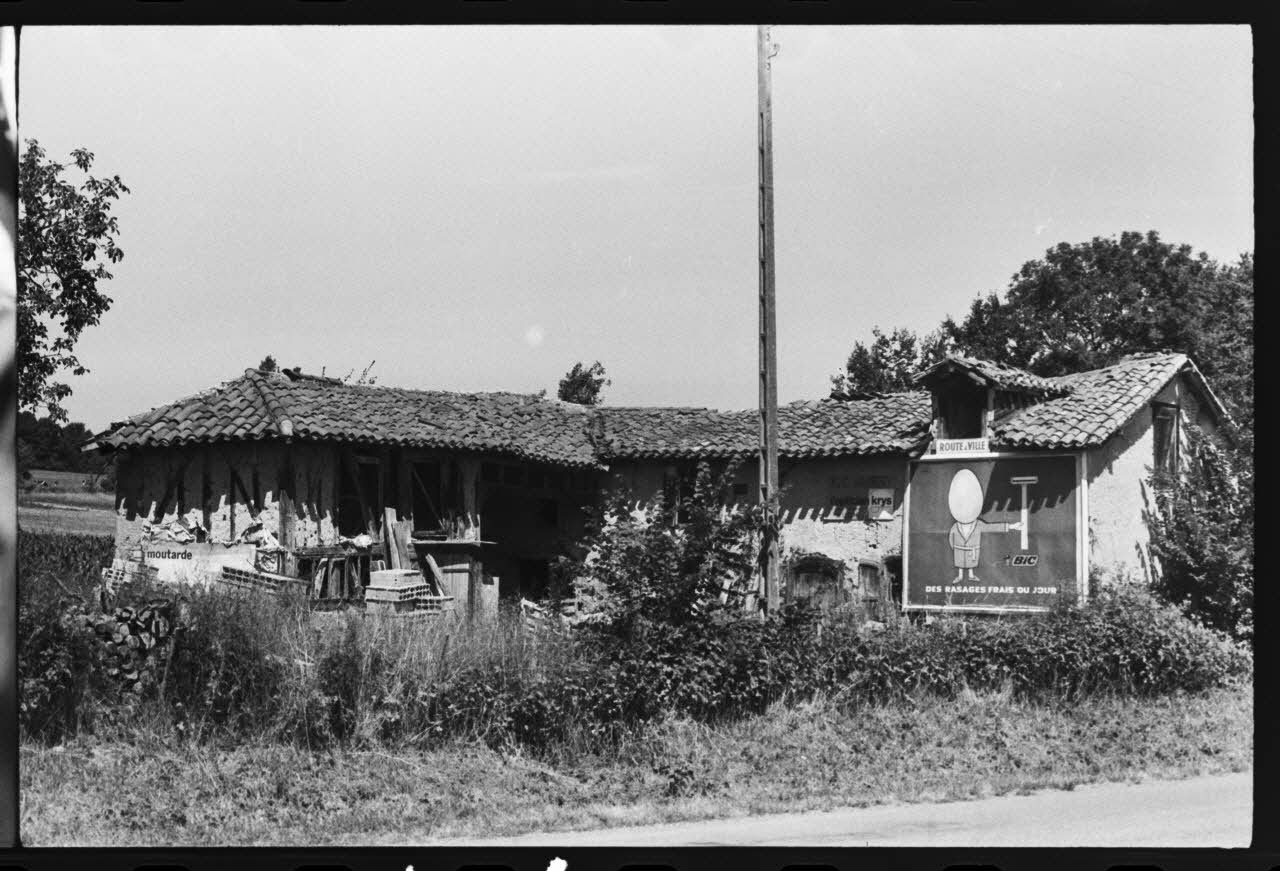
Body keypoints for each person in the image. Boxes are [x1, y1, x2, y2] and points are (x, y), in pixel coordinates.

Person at [946, 468, 1022, 584]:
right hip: (959, 551)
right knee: (960, 564)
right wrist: (955, 548)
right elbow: (951, 538)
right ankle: (960, 576)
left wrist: (1011, 526)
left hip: (972, 552)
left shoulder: (978, 524)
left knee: (970, 564)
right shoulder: (955, 527)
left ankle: (971, 575)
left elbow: (992, 527)